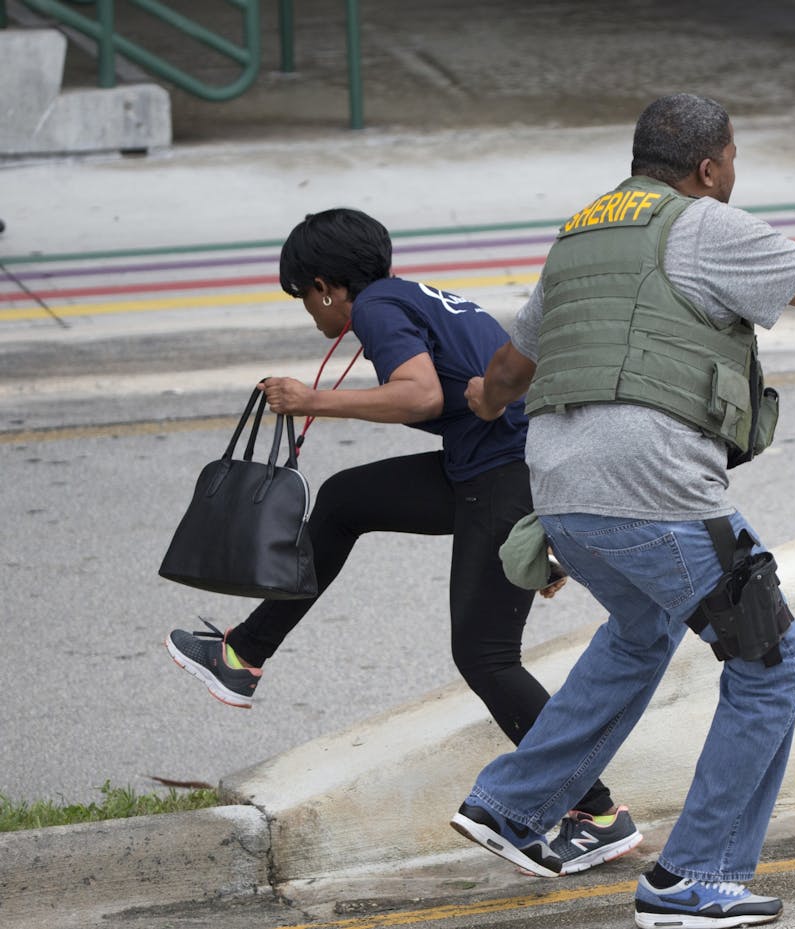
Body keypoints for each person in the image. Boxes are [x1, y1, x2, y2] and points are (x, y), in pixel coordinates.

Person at [454, 94, 795, 928]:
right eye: (732, 163)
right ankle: (693, 876)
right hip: (653, 491)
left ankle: (512, 802)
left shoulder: (581, 233)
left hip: (565, 495)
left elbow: (511, 364)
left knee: (641, 629)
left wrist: (481, 396)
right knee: (772, 663)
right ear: (709, 167)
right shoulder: (706, 225)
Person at [164, 208, 642, 874]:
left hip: (504, 475)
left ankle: (595, 811)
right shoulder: (410, 297)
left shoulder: (380, 309)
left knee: (485, 654)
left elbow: (416, 394)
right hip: (493, 465)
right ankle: (242, 654)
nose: (309, 312)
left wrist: (311, 401)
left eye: (305, 296)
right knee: (345, 500)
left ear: (328, 286)